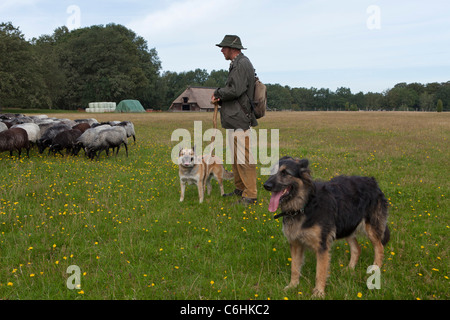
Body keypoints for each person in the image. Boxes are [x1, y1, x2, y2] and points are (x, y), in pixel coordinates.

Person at [211, 35, 258, 205]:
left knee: (244, 158)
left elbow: (236, 90)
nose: (221, 50)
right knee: (236, 158)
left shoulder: (241, 63)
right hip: (234, 118)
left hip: (240, 118)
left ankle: (251, 195)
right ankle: (240, 189)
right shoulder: (237, 64)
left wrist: (218, 93)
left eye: (223, 47)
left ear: (232, 48)